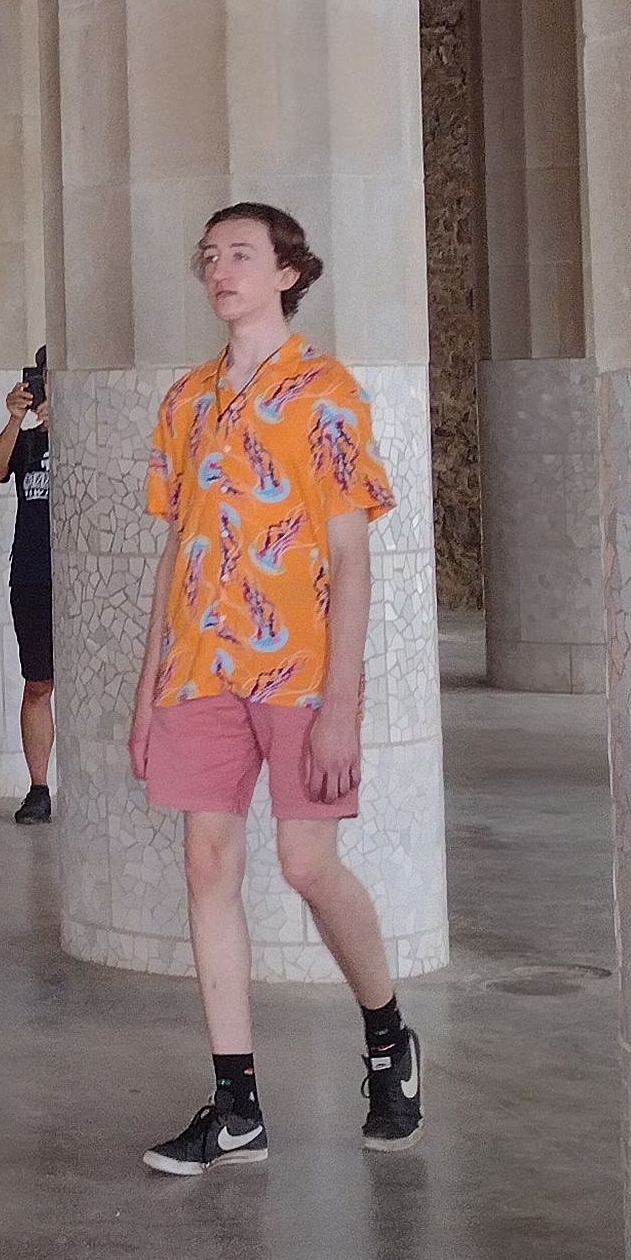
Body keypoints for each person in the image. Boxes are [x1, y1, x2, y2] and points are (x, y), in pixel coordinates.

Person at [130, 206, 425, 1175]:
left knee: (305, 865)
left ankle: (385, 1035)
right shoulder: (187, 399)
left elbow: (351, 555)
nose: (220, 269)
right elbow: (176, 549)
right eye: (209, 255)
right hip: (197, 668)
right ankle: (236, 1108)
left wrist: (341, 703)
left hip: (300, 672)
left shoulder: (325, 393)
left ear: (287, 273)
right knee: (205, 865)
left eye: (241, 255)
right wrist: (146, 690)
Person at [0, 374, 55, 825]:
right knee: (38, 683)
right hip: (31, 575)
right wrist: (15, 419)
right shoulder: (25, 444)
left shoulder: (88, 438)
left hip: (80, 579)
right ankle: (38, 787)